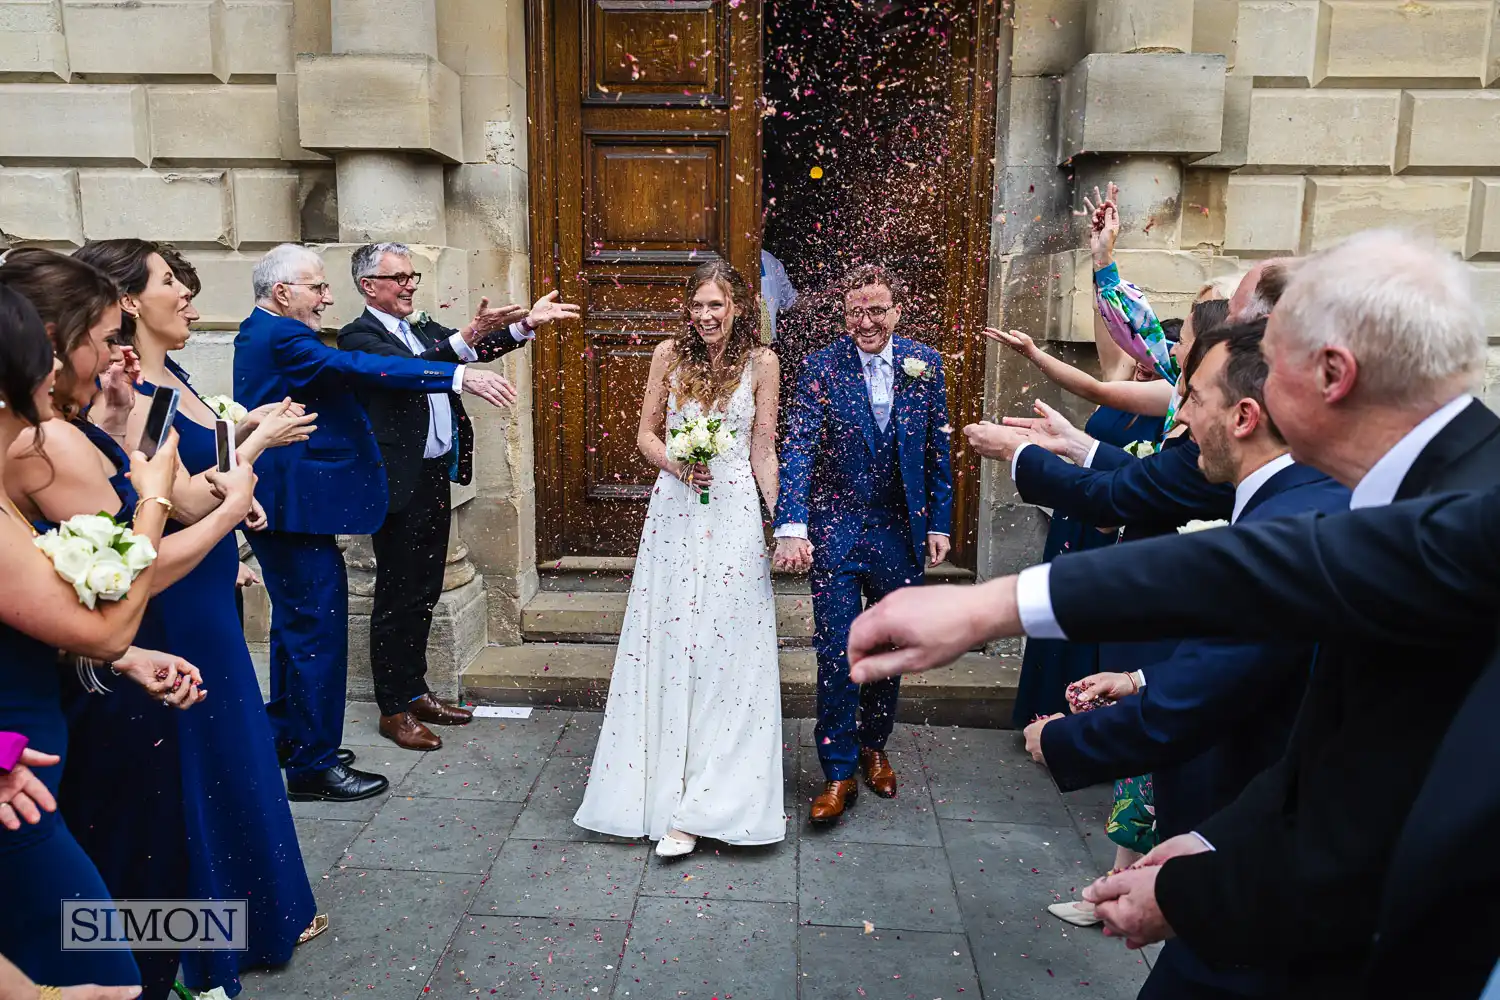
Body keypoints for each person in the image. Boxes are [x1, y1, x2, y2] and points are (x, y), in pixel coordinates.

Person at [844, 229, 1499, 997]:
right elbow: (1320, 721)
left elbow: (1362, 838)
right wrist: (1212, 838)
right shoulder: (1440, 483)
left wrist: (995, 608)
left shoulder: (1471, 508)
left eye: (1267, 350)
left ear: (1331, 373)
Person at [1028, 319, 1351, 999]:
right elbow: (1240, 653)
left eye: (1192, 395)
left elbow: (1207, 694)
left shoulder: (1293, 522)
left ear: (1243, 415)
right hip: (1238, 835)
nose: (1181, 407)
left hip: (1269, 854)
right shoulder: (1292, 499)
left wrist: (1062, 738)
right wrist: (1139, 677)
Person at [77, 238, 329, 993]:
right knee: (195, 763)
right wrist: (252, 456)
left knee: (232, 748)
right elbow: (163, 500)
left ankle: (256, 913)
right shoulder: (128, 397)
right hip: (171, 605)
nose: (186, 293)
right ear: (127, 302)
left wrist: (239, 458)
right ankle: (200, 942)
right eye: (169, 283)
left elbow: (187, 481)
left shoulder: (170, 378)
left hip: (205, 584)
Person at [234, 243, 518, 802]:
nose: (327, 297)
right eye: (317, 288)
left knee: (296, 631)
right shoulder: (284, 335)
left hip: (292, 501)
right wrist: (455, 378)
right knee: (317, 630)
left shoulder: (260, 330)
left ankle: (292, 738)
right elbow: (353, 365)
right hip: (294, 505)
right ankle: (314, 765)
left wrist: (480, 344)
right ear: (283, 291)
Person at [0, 280, 183, 991]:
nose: (53, 369)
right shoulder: (49, 450)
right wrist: (157, 500)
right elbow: (98, 627)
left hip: (33, 758)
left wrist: (129, 656)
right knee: (109, 975)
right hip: (22, 784)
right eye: (105, 335)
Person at [573, 261, 784, 857]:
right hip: (676, 510)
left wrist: (784, 520)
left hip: (735, 510)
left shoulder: (762, 362)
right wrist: (676, 464)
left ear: (738, 307)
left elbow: (763, 445)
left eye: (716, 306)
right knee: (671, 641)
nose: (706, 317)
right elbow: (645, 435)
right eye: (698, 306)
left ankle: (716, 799)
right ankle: (662, 795)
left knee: (727, 649)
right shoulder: (668, 354)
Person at [337, 242, 577, 750]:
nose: (408, 286)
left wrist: (522, 327)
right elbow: (415, 369)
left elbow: (467, 350)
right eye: (398, 277)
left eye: (412, 277)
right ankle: (393, 708)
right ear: (368, 286)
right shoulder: (359, 336)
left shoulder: (422, 327)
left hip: (432, 477)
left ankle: (416, 689)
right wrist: (464, 340)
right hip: (396, 483)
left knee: (426, 588)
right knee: (396, 596)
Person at [771, 263, 953, 824]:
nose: (866, 321)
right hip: (838, 526)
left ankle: (876, 745)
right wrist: (792, 523)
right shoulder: (820, 366)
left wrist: (939, 523)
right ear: (844, 313)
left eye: (877, 310)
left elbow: (937, 451)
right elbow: (798, 445)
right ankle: (838, 770)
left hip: (899, 530)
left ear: (897, 312)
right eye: (856, 310)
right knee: (836, 649)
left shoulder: (927, 365)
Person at [760, 248, 798, 342]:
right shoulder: (722, 261)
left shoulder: (770, 260)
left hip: (767, 348)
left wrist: (824, 297)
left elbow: (790, 300)